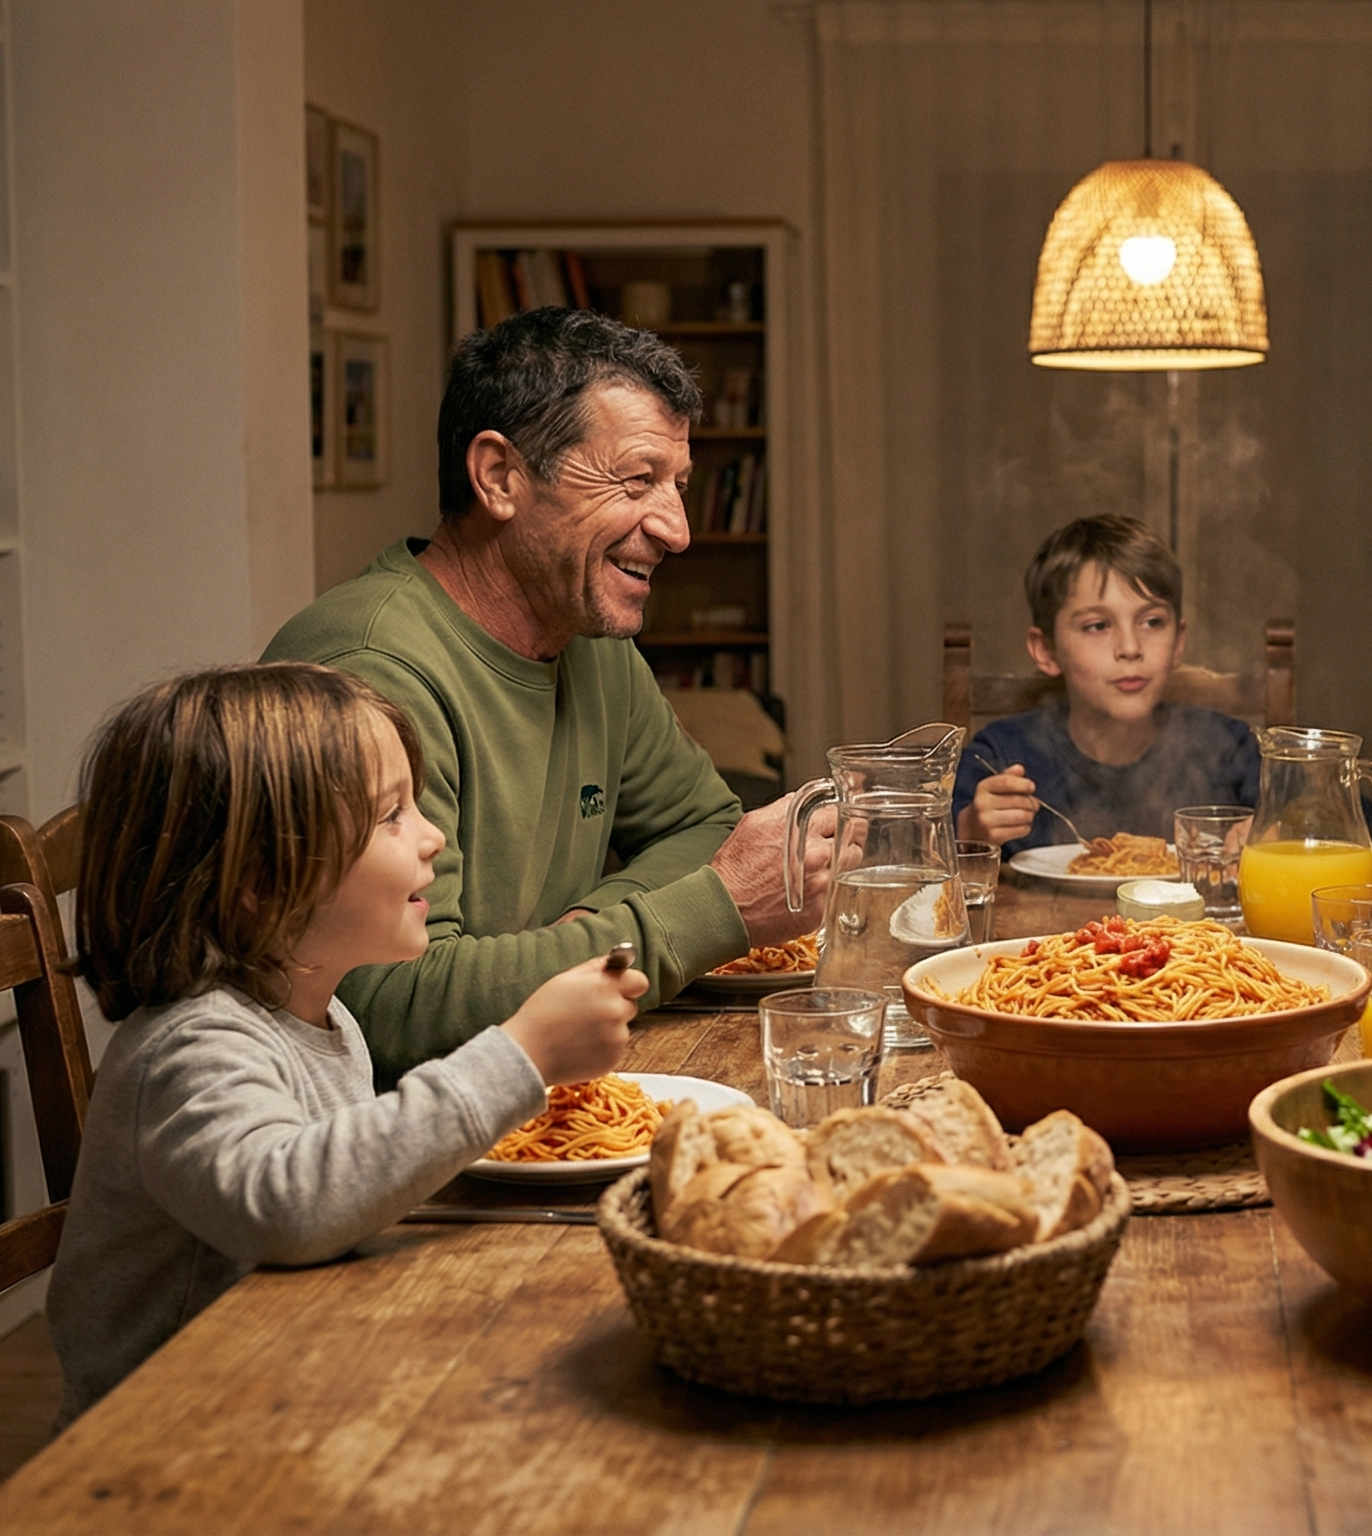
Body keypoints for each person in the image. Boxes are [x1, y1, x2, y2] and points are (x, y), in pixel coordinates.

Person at [46, 663, 645, 1426]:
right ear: (258, 880)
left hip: (295, 1377)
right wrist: (521, 1052)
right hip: (171, 1434)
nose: (432, 836)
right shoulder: (190, 1047)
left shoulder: (324, 1015)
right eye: (391, 815)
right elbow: (289, 1206)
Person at [264, 306, 827, 1083]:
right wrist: (711, 909)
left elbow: (702, 824)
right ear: (500, 477)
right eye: (638, 481)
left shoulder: (586, 636)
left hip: (534, 1091)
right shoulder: (369, 671)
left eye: (679, 485)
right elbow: (388, 1012)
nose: (677, 529)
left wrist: (595, 928)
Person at [954, 513, 1258, 854]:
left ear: (1178, 642)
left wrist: (1271, 832)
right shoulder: (1001, 754)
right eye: (1097, 626)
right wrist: (972, 831)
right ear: (1046, 650)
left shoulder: (1230, 749)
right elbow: (936, 855)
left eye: (1152, 622)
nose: (1130, 648)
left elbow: (1293, 823)